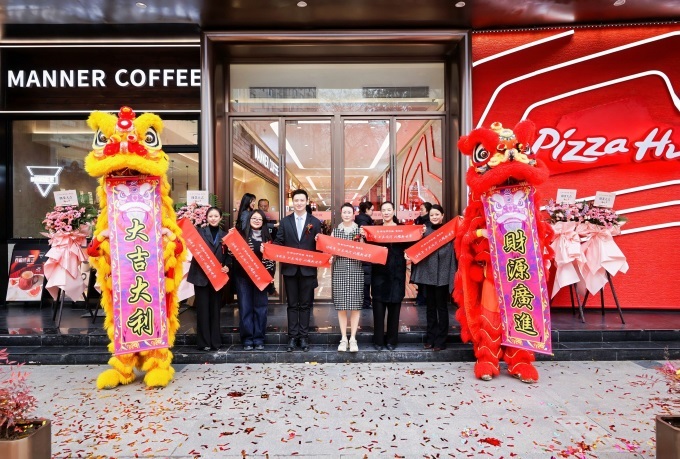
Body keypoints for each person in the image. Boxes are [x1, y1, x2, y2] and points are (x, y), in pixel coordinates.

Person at [274, 189, 322, 352]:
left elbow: (319, 246)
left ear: (307, 201)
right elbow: (279, 242)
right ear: (292, 202)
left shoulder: (315, 222)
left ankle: (304, 337)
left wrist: (322, 248)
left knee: (306, 305)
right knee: (292, 304)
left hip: (308, 270)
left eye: (302, 200)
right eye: (296, 200)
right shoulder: (285, 221)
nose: (299, 203)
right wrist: (269, 248)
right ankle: (292, 337)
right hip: (290, 270)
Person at [407, 205, 457, 351]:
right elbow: (416, 249)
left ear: (442, 215)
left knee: (442, 307)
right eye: (432, 215)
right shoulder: (425, 231)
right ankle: (430, 338)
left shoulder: (449, 231)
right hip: (428, 275)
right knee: (430, 308)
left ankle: (441, 340)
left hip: (443, 275)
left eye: (437, 214)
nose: (434, 217)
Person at [360, 201, 408, 351]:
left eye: (389, 210)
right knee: (378, 310)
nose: (386, 212)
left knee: (395, 310)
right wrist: (364, 236)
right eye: (383, 210)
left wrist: (421, 232)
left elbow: (411, 245)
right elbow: (368, 248)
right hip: (379, 274)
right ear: (380, 213)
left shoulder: (402, 229)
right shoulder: (375, 229)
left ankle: (392, 341)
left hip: (397, 274)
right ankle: (378, 341)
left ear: (393, 211)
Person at [229, 209, 276, 351]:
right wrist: (231, 239)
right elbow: (232, 254)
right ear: (249, 220)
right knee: (245, 308)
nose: (257, 221)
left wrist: (265, 255)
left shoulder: (267, 238)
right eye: (254, 218)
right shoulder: (241, 235)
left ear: (263, 222)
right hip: (243, 277)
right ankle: (247, 339)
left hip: (261, 278)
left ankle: (259, 339)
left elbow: (272, 261)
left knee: (261, 308)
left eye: (260, 219)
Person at [186, 207, 231, 351]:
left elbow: (229, 255)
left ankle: (215, 342)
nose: (213, 218)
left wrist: (227, 266)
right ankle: (204, 342)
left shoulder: (225, 235)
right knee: (202, 309)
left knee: (215, 309)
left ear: (220, 218)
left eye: (216, 216)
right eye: (210, 216)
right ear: (206, 218)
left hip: (217, 276)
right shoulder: (199, 233)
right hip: (201, 276)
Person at [330, 203, 364, 353]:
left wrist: (363, 238)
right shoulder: (335, 231)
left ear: (353, 214)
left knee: (355, 306)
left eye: (349, 212)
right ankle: (344, 338)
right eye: (344, 212)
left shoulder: (360, 231)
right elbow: (330, 250)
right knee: (341, 306)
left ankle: (353, 338)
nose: (346, 215)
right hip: (340, 270)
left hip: (356, 270)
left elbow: (365, 251)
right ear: (341, 213)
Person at [355, 201, 374, 309]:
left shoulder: (361, 219)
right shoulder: (364, 221)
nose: (373, 212)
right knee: (365, 278)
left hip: (362, 253)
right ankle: (365, 301)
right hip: (365, 253)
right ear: (366, 210)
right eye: (371, 209)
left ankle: (365, 300)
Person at [413, 202, 432, 307]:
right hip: (418, 251)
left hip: (424, 252)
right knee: (420, 277)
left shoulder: (427, 222)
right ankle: (421, 298)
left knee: (423, 277)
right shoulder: (418, 220)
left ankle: (423, 299)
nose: (420, 211)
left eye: (422, 209)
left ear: (427, 210)